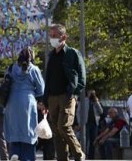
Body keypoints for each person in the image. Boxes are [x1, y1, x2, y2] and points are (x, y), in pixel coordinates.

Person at [42, 24, 86, 161]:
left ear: (64, 37)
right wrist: (45, 100)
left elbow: (82, 76)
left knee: (64, 126)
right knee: (56, 131)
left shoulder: (72, 53)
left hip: (66, 96)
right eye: (51, 36)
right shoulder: (51, 56)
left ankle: (79, 155)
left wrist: (73, 92)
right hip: (52, 98)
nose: (52, 39)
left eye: (54, 36)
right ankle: (62, 158)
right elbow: (48, 79)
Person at [4, 48, 45, 161]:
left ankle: (15, 153)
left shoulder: (11, 68)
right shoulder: (34, 69)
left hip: (11, 103)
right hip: (28, 102)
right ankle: (27, 157)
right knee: (29, 131)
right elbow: (41, 89)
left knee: (15, 130)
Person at [86, 90, 103, 160]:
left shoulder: (96, 102)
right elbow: (79, 112)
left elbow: (101, 112)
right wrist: (79, 123)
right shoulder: (84, 100)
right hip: (86, 123)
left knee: (93, 140)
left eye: (93, 93)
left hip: (94, 124)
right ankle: (84, 155)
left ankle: (91, 157)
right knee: (86, 140)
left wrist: (97, 102)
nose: (91, 95)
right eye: (90, 93)